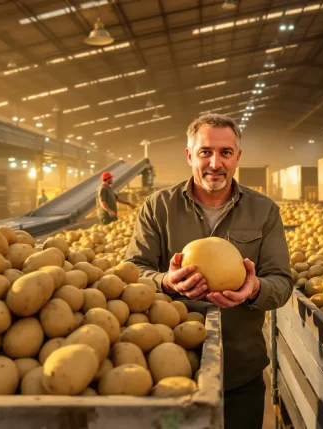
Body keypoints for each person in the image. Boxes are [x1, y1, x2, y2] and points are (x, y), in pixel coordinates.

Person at [124, 113, 293, 428]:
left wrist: (255, 289)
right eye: (205, 152)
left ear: (237, 157)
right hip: (172, 372)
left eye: (225, 152)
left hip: (240, 370)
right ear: (190, 155)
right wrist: (166, 282)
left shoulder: (264, 210)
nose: (215, 163)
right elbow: (132, 270)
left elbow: (282, 282)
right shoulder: (158, 207)